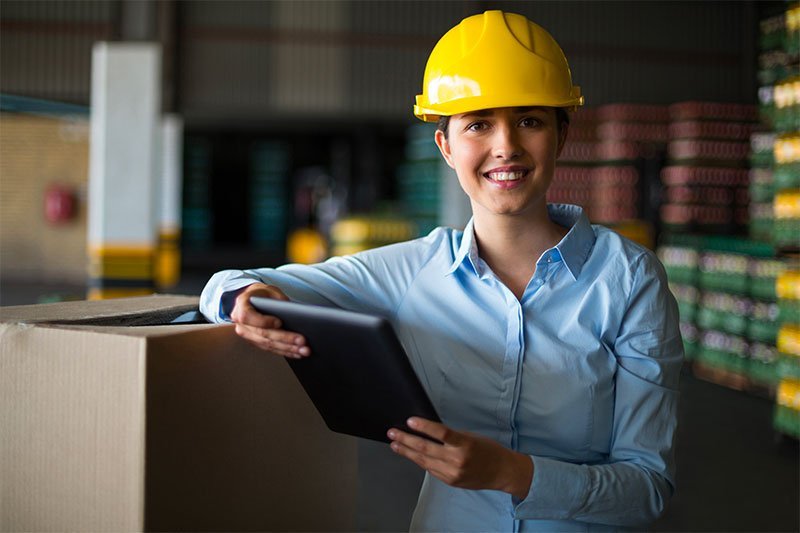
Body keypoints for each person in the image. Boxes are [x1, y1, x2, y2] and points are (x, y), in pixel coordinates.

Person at [200, 10, 682, 532]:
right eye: (478, 124)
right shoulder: (411, 271)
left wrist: (515, 474)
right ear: (446, 146)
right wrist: (243, 298)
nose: (506, 147)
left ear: (562, 136)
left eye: (530, 120)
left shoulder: (629, 280)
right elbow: (230, 283)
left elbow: (647, 487)